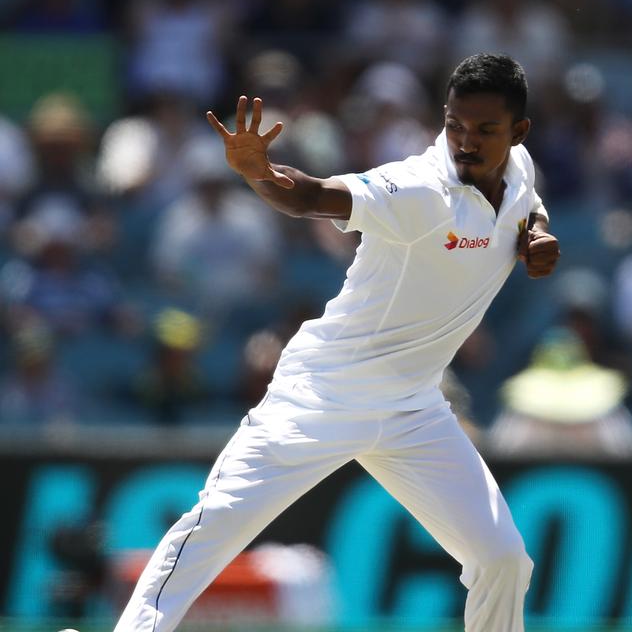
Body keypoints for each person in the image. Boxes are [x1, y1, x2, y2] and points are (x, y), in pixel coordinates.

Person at [114, 54, 560, 632]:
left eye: (485, 130)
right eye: (455, 125)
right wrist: (260, 174)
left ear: (518, 133)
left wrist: (539, 233)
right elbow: (310, 196)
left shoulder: (521, 169)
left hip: (414, 406)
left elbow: (526, 203)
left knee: (502, 559)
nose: (465, 141)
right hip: (324, 391)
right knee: (216, 522)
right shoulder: (419, 190)